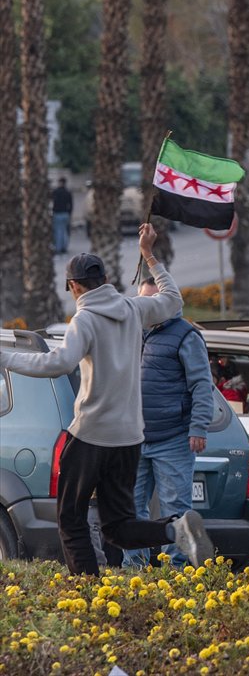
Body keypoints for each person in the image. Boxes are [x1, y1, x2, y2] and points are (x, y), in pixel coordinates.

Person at [0, 226, 213, 576]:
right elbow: (174, 301)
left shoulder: (84, 319)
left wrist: (6, 359)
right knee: (118, 525)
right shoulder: (132, 309)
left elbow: (59, 363)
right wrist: (149, 255)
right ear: (106, 279)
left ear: (74, 286)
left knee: (70, 518)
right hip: (129, 440)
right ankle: (173, 530)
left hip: (90, 436)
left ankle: (86, 589)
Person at [123, 279, 216, 568]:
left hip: (173, 439)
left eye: (152, 301)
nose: (146, 308)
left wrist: (198, 427)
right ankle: (133, 570)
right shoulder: (135, 332)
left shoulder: (186, 336)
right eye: (142, 302)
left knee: (176, 511)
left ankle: (176, 572)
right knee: (130, 509)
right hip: (134, 439)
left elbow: (202, 385)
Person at [52, 177, 73, 255]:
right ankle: (64, 247)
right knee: (64, 231)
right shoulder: (68, 192)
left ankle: (58, 248)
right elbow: (71, 204)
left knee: (58, 231)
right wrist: (70, 214)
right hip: (65, 214)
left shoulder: (55, 192)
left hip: (57, 213)